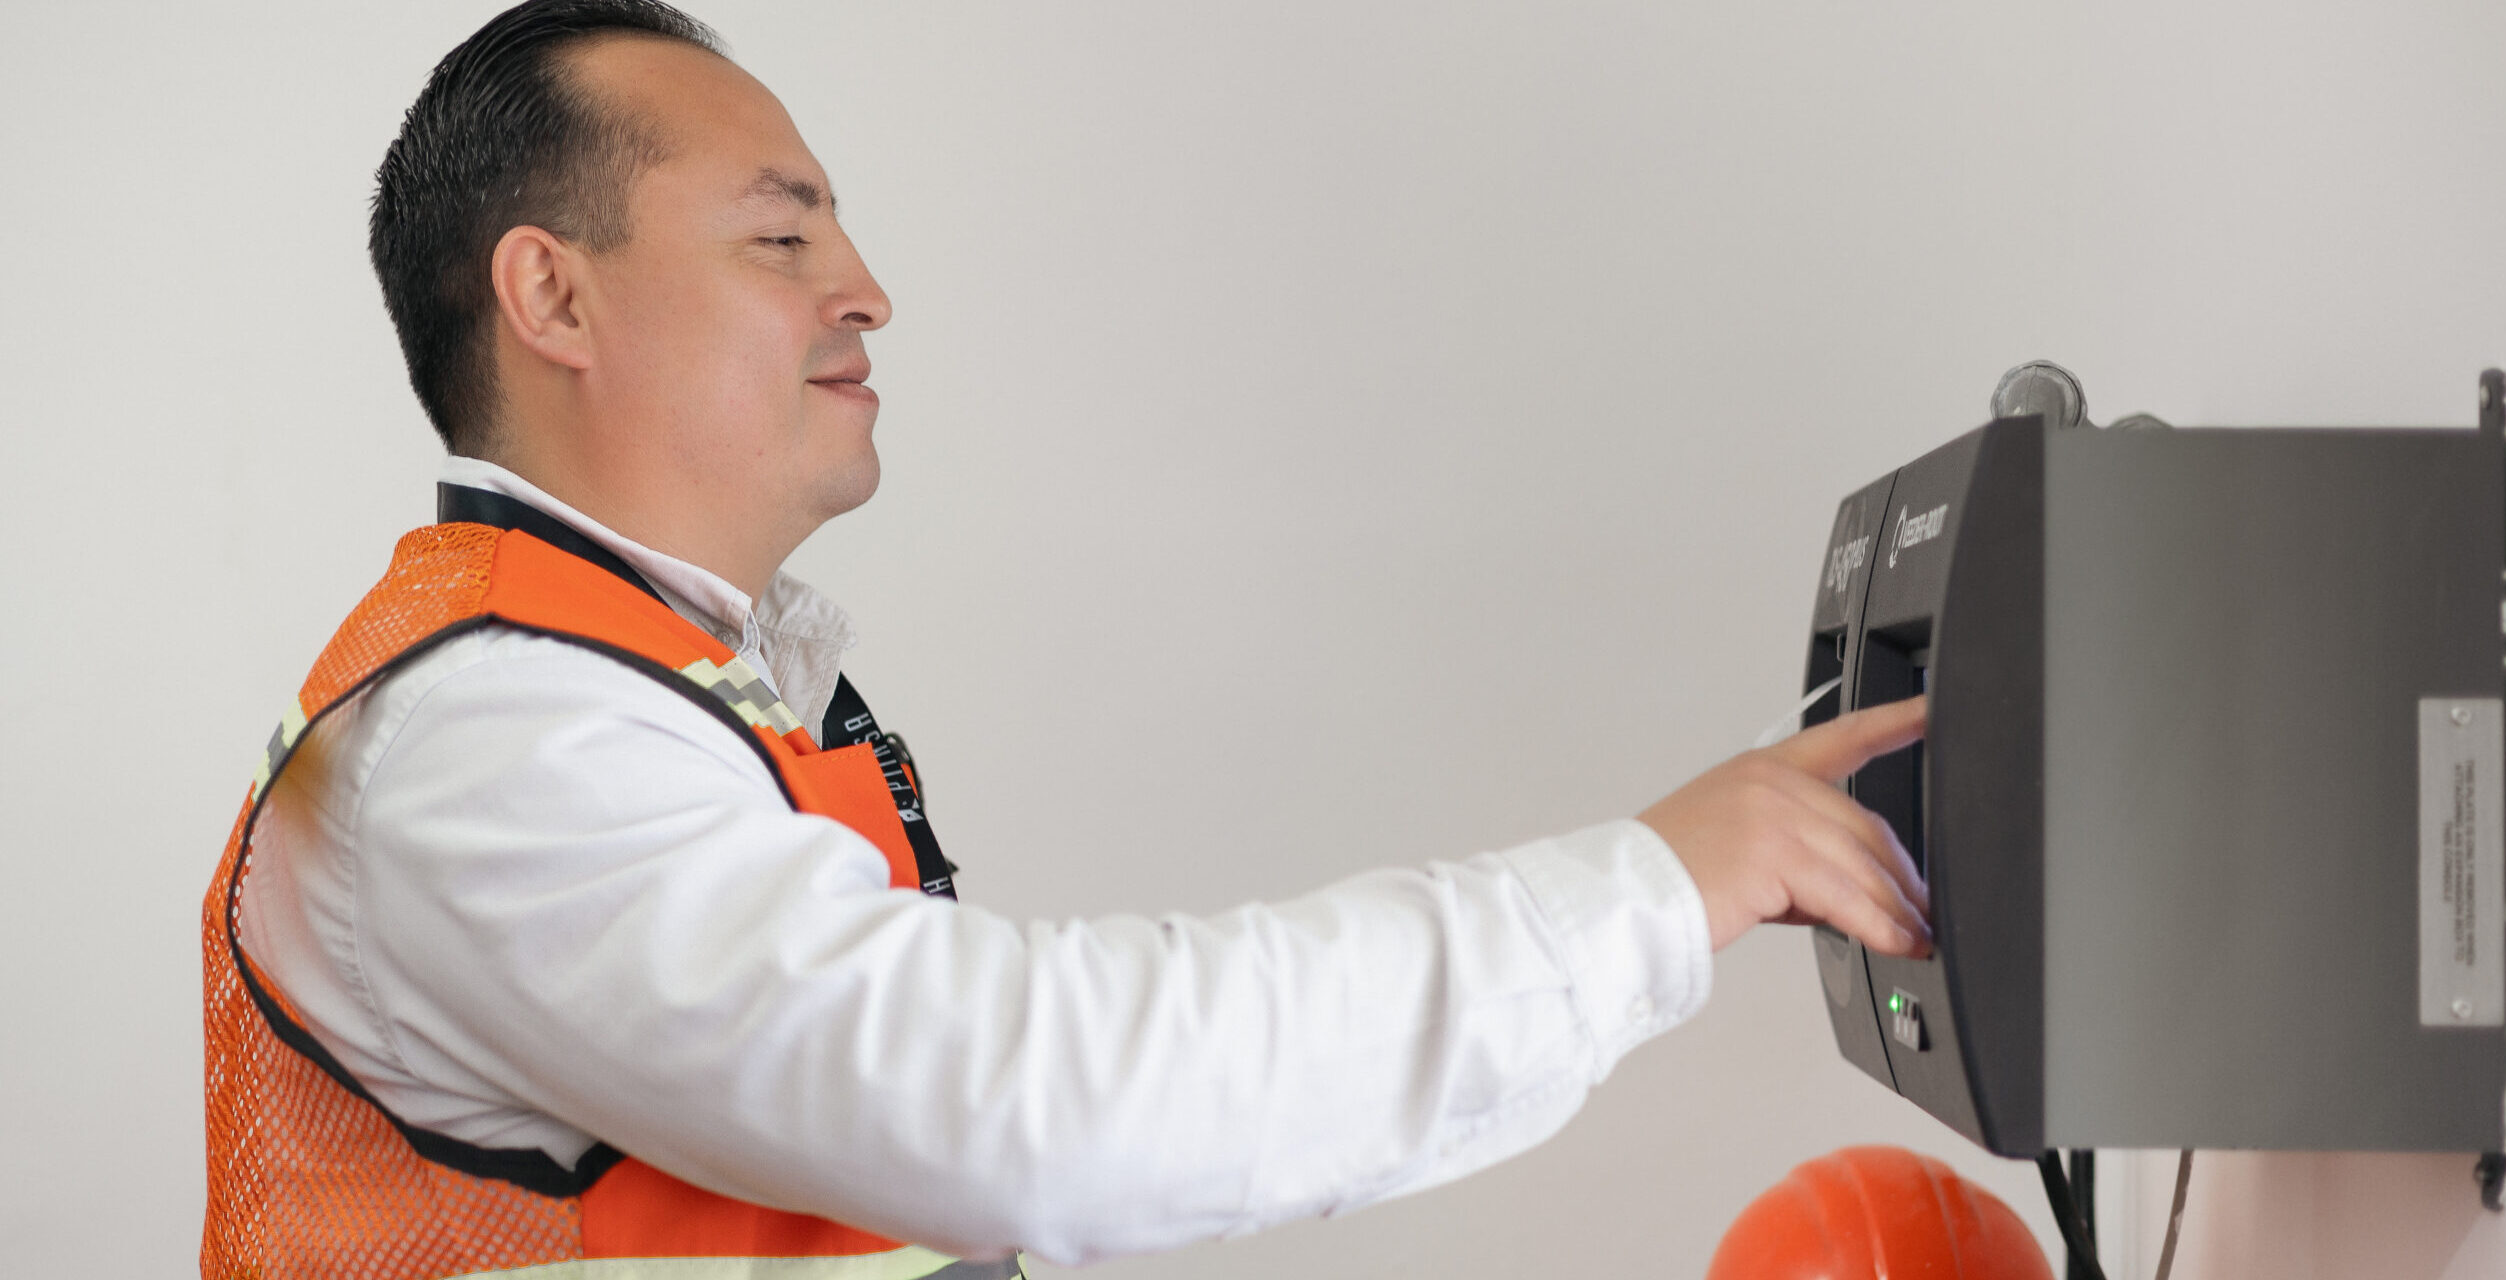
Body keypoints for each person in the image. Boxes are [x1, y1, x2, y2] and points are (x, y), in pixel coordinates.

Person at [203, 2, 1933, 1276]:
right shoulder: (491, 745)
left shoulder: (655, 685)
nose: (864, 288)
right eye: (781, 234)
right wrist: (1658, 887)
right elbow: (1033, 1100)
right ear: (553, 296)